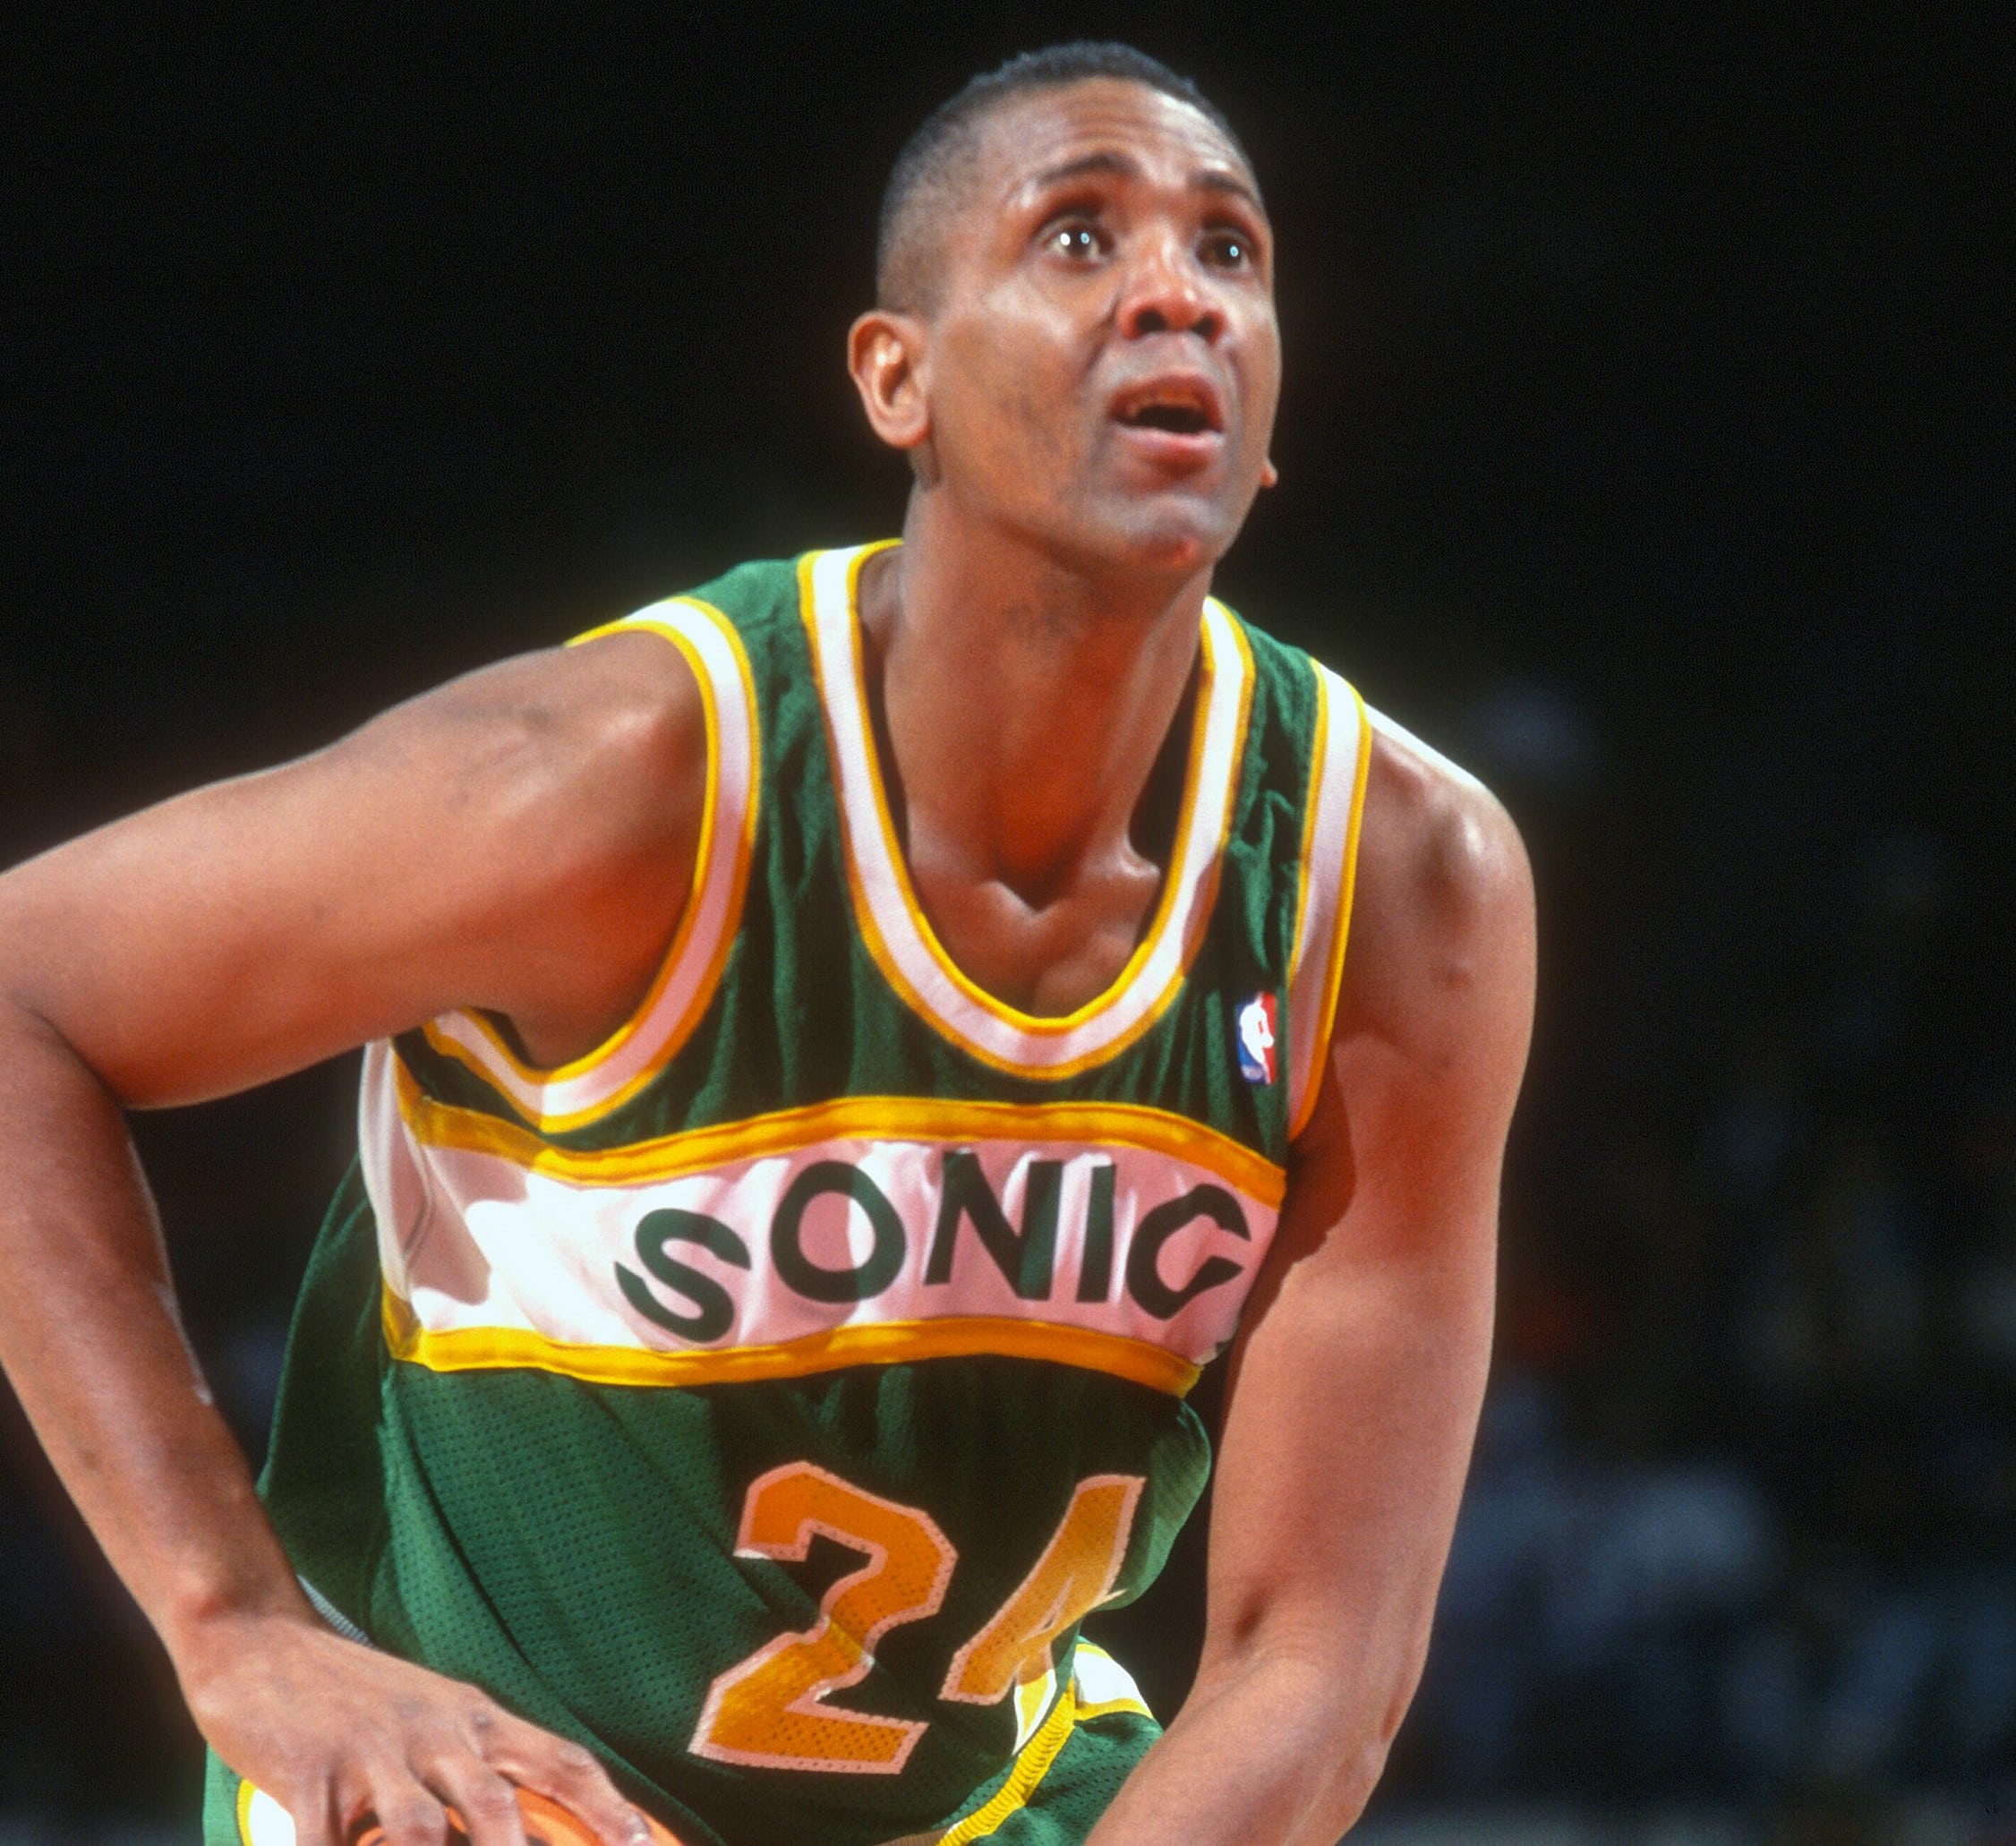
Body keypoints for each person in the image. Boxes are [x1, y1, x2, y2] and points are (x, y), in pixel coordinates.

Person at [0, 41, 1533, 1846]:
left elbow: (1313, 1655)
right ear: (900, 380)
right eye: (1076, 237)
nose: (1174, 293)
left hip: (983, 1795)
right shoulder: (620, 781)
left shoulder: (1398, 880)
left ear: (1266, 430)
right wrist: (234, 1626)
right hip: (496, 1777)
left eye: (1230, 252)